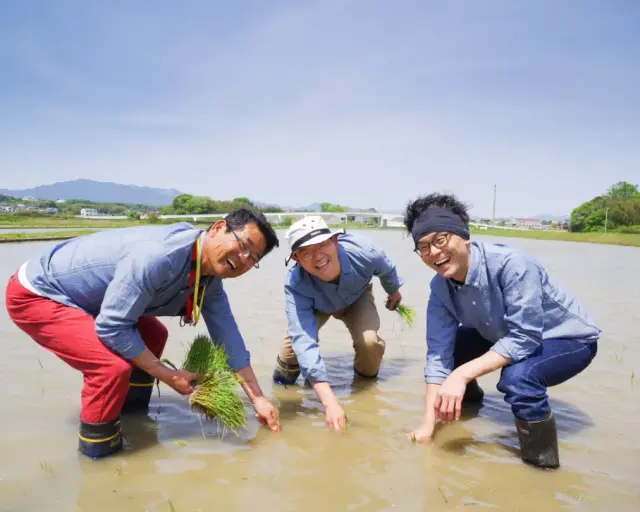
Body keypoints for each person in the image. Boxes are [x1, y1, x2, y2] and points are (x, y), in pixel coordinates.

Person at [5, 208, 282, 459]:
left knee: (154, 336)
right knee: (110, 369)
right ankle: (99, 454)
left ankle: (132, 416)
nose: (244, 259)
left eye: (253, 258)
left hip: (93, 298)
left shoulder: (207, 278)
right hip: (39, 292)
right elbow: (112, 327)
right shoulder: (158, 256)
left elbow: (228, 336)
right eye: (243, 245)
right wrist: (169, 375)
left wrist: (258, 398)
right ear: (218, 227)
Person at [403, 193, 601, 469]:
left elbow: (525, 337)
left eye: (440, 240)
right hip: (506, 335)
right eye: (423, 247)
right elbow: (438, 354)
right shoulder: (439, 288)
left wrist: (461, 374)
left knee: (518, 377)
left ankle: (542, 467)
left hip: (567, 338)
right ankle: (462, 409)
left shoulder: (512, 264)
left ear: (464, 237)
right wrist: (426, 425)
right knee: (455, 347)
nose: (433, 252)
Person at [272, 215, 404, 432]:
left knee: (369, 343)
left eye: (322, 245)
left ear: (335, 241)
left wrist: (393, 291)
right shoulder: (295, 284)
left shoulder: (364, 252)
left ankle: (364, 389)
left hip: (356, 298)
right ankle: (283, 387)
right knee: (290, 354)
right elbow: (304, 340)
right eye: (306, 252)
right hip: (316, 306)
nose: (317, 257)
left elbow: (385, 269)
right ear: (296, 258)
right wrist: (329, 401)